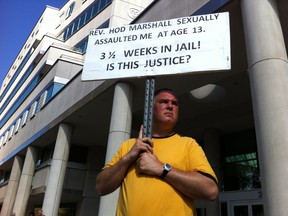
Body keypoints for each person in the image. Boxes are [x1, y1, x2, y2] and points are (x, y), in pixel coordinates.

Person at [96, 88, 218, 216]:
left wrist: (162, 169)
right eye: (164, 102)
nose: (170, 106)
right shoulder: (129, 146)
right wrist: (129, 157)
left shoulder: (188, 144)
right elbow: (100, 187)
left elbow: (210, 190)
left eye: (175, 103)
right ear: (150, 109)